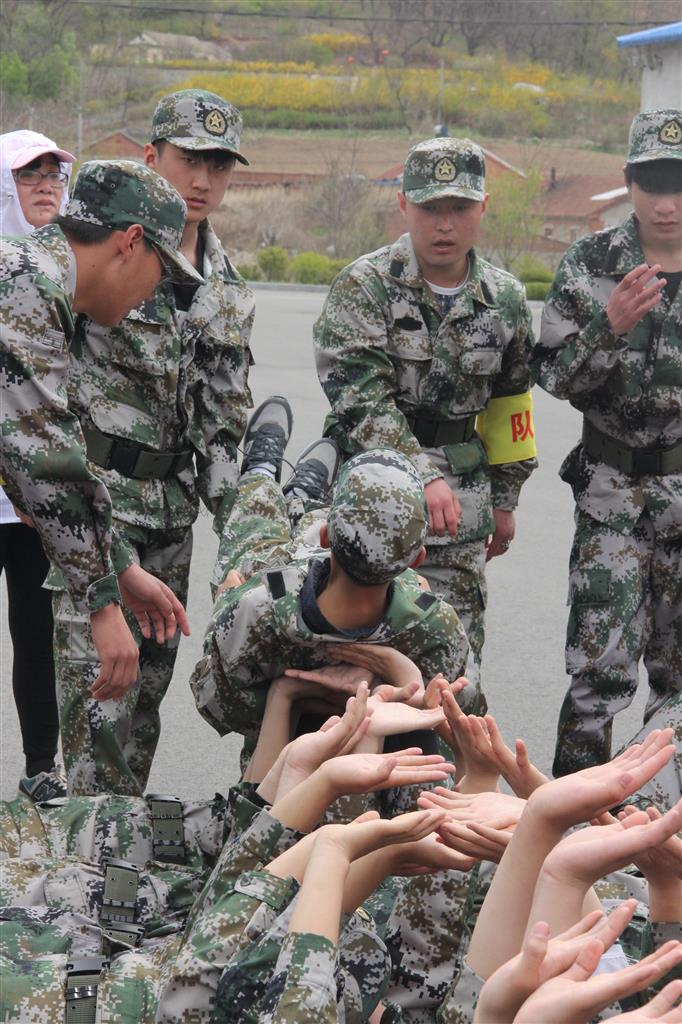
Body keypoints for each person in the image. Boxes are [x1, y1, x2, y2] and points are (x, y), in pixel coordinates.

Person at [52, 89, 255, 798]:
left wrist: (242, 542)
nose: (202, 179)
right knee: (98, 711)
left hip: (173, 518)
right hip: (101, 507)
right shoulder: (108, 250)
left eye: (219, 165)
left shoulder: (228, 289)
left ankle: (119, 852)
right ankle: (83, 850)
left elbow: (224, 426)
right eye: (189, 159)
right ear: (151, 156)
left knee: (142, 715)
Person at [314, 136, 537, 709]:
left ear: (483, 207)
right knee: (352, 666)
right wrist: (422, 474)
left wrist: (506, 498)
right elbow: (359, 397)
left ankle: (449, 768)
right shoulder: (364, 285)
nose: (444, 223)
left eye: (459, 207)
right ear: (403, 205)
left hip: (463, 511)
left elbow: (511, 403)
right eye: (430, 207)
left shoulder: (505, 298)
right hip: (371, 501)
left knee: (454, 675)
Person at [0, 157, 196, 796]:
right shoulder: (28, 285)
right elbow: (44, 466)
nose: (151, 294)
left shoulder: (32, 277)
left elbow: (29, 468)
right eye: (160, 271)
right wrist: (103, 601)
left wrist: (116, 566)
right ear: (130, 242)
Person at [531, 108, 682, 777]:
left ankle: (662, 822)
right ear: (629, 181)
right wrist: (607, 327)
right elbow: (554, 377)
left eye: (678, 183)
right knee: (598, 678)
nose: (666, 202)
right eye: (652, 183)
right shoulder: (592, 263)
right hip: (611, 499)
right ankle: (567, 826)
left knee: (680, 686)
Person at [191, 396, 469, 759]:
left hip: (279, 774)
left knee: (253, 535)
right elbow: (449, 714)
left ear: (327, 539)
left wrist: (224, 610)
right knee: (285, 542)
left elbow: (216, 705)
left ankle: (262, 473)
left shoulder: (255, 607)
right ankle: (303, 499)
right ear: (415, 561)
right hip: (385, 771)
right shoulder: (438, 625)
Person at [0, 130, 75, 800]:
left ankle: (42, 768)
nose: (46, 184)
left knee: (38, 634)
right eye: (29, 175)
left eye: (55, 173)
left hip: (36, 500)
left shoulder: (72, 269)